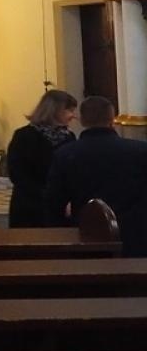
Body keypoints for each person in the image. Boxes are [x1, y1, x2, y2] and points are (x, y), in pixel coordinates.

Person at [43, 96, 147, 257]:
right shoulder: (140, 151)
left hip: (86, 236)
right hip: (135, 237)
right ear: (112, 119)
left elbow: (53, 202)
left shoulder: (66, 154)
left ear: (82, 120)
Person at [5, 88, 78, 228]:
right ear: (55, 110)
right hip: (30, 206)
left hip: (60, 208)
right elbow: (17, 173)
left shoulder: (69, 137)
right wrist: (46, 195)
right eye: (69, 110)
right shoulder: (24, 136)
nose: (72, 116)